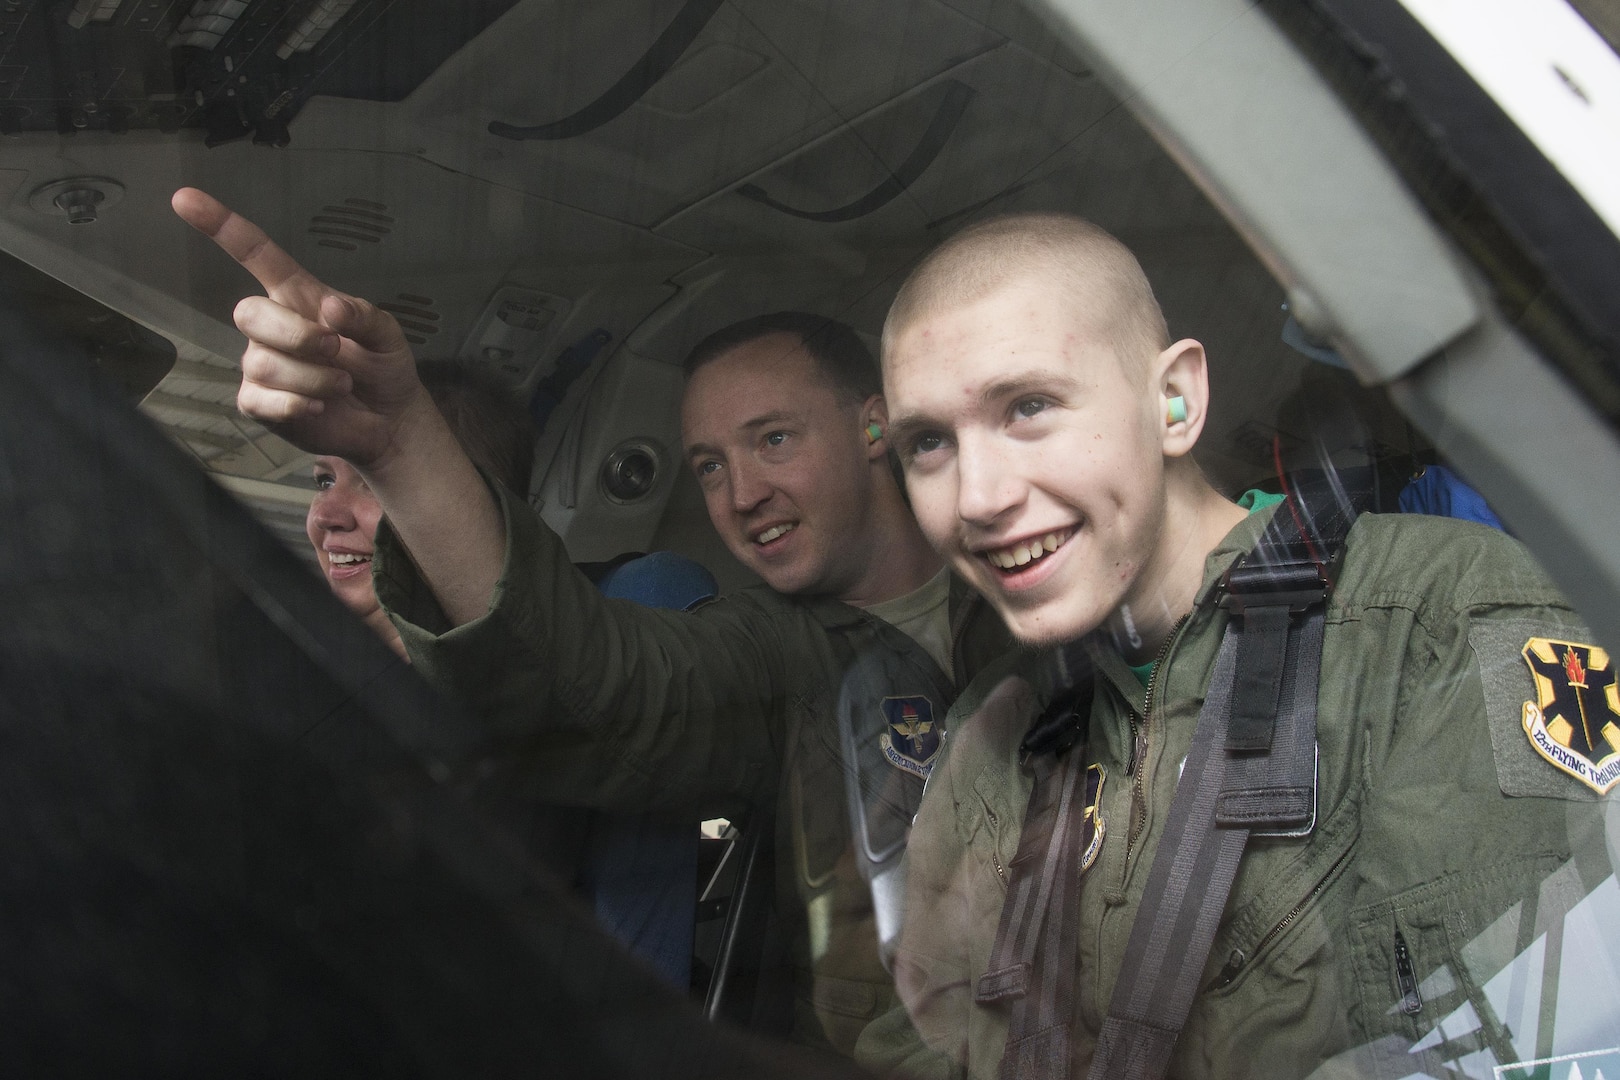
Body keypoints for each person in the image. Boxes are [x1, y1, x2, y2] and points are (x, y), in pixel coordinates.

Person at [170, 188, 1011, 1056]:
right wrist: (399, 448)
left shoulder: (1038, 597)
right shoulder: (775, 657)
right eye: (709, 466)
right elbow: (596, 684)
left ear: (876, 425)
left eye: (773, 440)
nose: (742, 493)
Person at [857, 213, 1615, 1078]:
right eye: (929, 444)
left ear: (1173, 401)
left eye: (1028, 407)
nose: (979, 496)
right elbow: (915, 1048)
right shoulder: (993, 732)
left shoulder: (1440, 622)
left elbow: (1484, 1045)